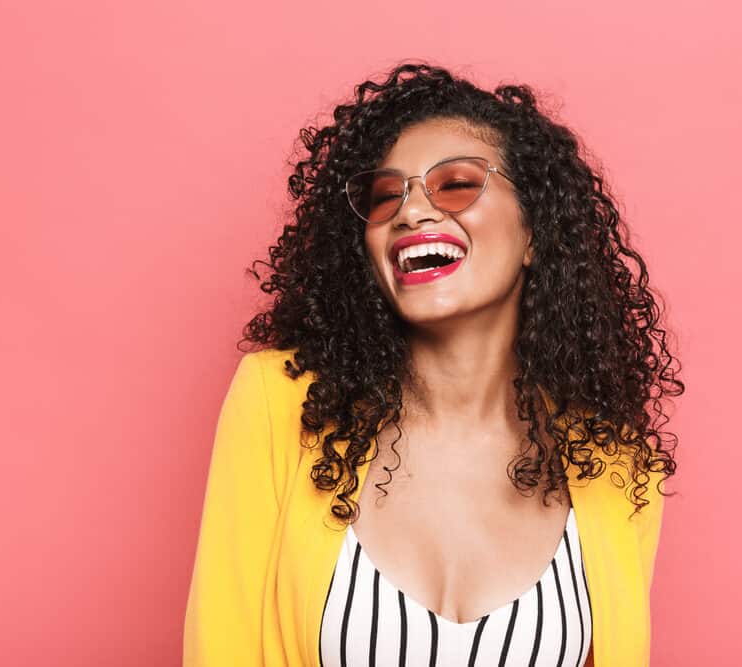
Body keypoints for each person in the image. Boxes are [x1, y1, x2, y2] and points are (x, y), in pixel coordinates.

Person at [183, 62, 684, 667]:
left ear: (534, 233)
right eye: (385, 196)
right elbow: (224, 644)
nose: (411, 212)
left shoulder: (614, 462)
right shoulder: (279, 403)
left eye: (455, 185)